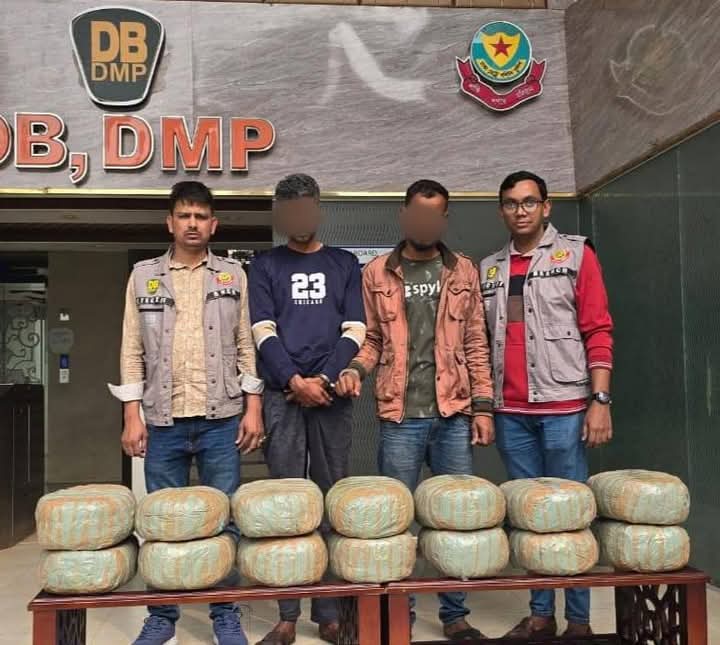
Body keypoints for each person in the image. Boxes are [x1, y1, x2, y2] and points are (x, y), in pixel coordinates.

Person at [336, 179, 494, 641]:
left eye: (434, 215)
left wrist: (483, 407)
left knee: (455, 520)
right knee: (396, 521)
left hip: (453, 413)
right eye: (418, 214)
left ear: (443, 220)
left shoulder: (462, 270)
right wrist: (354, 369)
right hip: (400, 416)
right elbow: (372, 339)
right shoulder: (377, 272)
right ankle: (398, 614)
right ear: (405, 216)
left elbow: (475, 341)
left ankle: (455, 614)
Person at [112, 181, 264, 645]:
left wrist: (253, 407)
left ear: (213, 224)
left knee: (223, 520)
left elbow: (245, 344)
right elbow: (131, 349)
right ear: (170, 223)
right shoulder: (143, 275)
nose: (192, 224)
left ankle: (224, 614)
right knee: (164, 524)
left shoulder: (232, 275)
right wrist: (132, 416)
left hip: (222, 417)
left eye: (200, 217)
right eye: (184, 216)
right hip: (163, 420)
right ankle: (162, 616)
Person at [481, 171, 614, 638]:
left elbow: (598, 329)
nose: (520, 211)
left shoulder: (576, 255)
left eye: (529, 202)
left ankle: (578, 620)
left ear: (546, 206)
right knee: (529, 518)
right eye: (511, 203)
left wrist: (600, 399)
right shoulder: (490, 268)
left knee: (570, 516)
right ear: (501, 210)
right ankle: (541, 614)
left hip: (564, 407)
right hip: (511, 412)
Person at [248, 173, 365, 645]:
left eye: (306, 208)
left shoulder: (344, 264)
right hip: (283, 397)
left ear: (317, 210)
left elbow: (355, 329)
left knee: (332, 500)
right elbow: (261, 329)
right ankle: (288, 615)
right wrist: (294, 380)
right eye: (290, 210)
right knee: (287, 505)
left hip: (331, 396)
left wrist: (323, 379)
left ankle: (330, 612)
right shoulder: (264, 265)